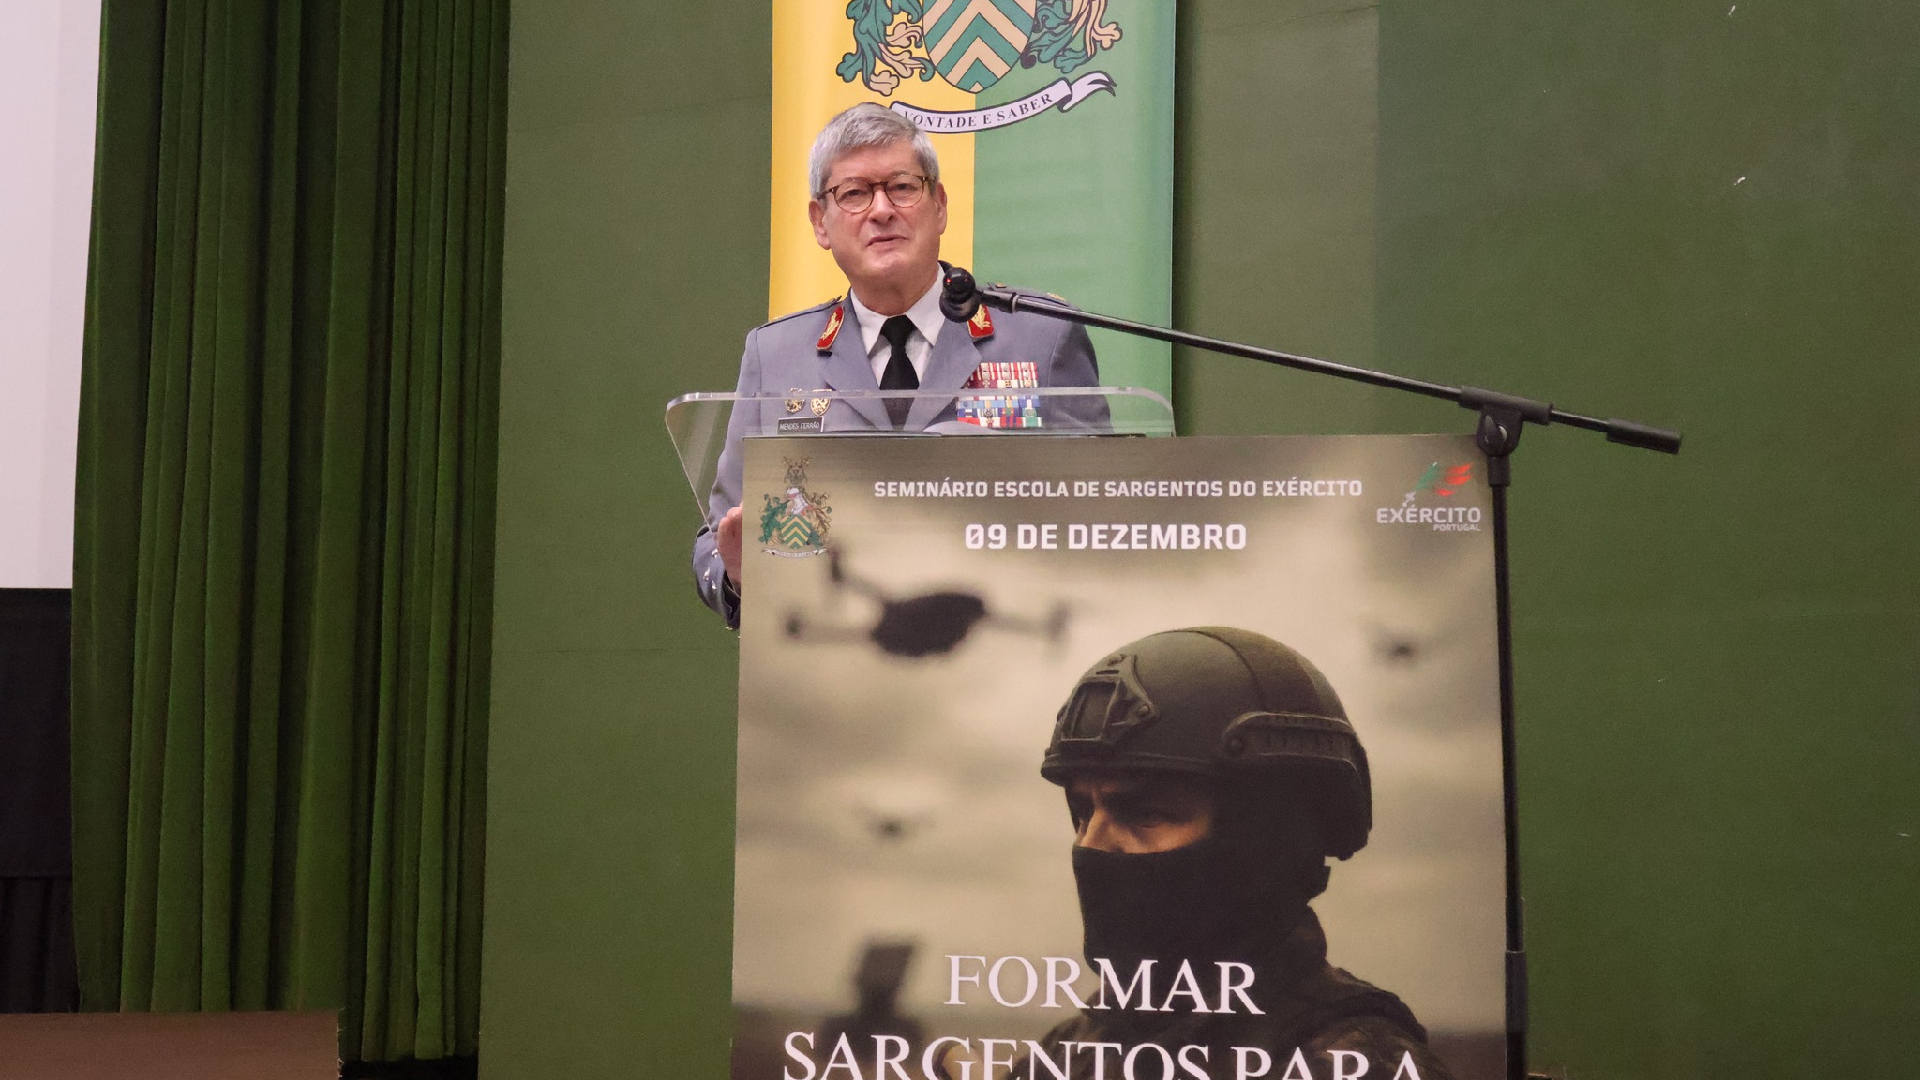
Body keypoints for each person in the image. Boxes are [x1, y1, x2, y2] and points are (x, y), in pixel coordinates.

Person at [691, 103, 1103, 628]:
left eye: (902, 187)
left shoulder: (1040, 336)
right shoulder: (775, 355)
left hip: (1004, 642)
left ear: (939, 206)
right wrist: (734, 575)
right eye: (854, 194)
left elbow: (1104, 507)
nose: (882, 210)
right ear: (820, 222)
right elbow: (718, 538)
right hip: (837, 649)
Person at [1014, 627, 1459, 1080]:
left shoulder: (1360, 1068)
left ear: (1263, 843)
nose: (1091, 844)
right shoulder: (1068, 1054)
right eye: (1082, 812)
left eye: (1145, 813)